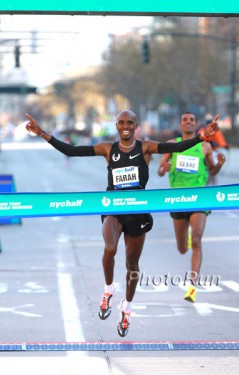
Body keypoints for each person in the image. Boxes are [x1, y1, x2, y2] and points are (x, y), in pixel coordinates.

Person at [25, 110, 219, 336]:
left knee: (132, 265)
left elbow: (176, 148)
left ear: (136, 126)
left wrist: (202, 135)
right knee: (110, 247)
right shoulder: (108, 149)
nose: (126, 126)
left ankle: (127, 307)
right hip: (114, 208)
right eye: (121, 123)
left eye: (130, 123)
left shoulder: (145, 147)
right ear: (117, 126)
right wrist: (42, 133)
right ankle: (108, 290)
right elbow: (72, 151)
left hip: (138, 213)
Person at [157, 112, 226, 303]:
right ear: (180, 125)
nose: (188, 122)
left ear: (196, 125)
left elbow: (211, 170)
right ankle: (185, 237)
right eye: (185, 120)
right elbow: (160, 171)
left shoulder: (204, 146)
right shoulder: (172, 144)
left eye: (192, 120)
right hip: (177, 200)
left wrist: (219, 164)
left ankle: (193, 287)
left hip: (199, 199)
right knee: (182, 248)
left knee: (196, 239)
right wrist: (164, 168)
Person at [197, 119, 229, 185]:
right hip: (203, 151)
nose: (210, 128)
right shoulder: (202, 131)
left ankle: (212, 178)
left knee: (213, 164)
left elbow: (220, 140)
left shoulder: (216, 132)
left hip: (213, 151)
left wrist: (225, 146)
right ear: (206, 126)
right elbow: (198, 140)